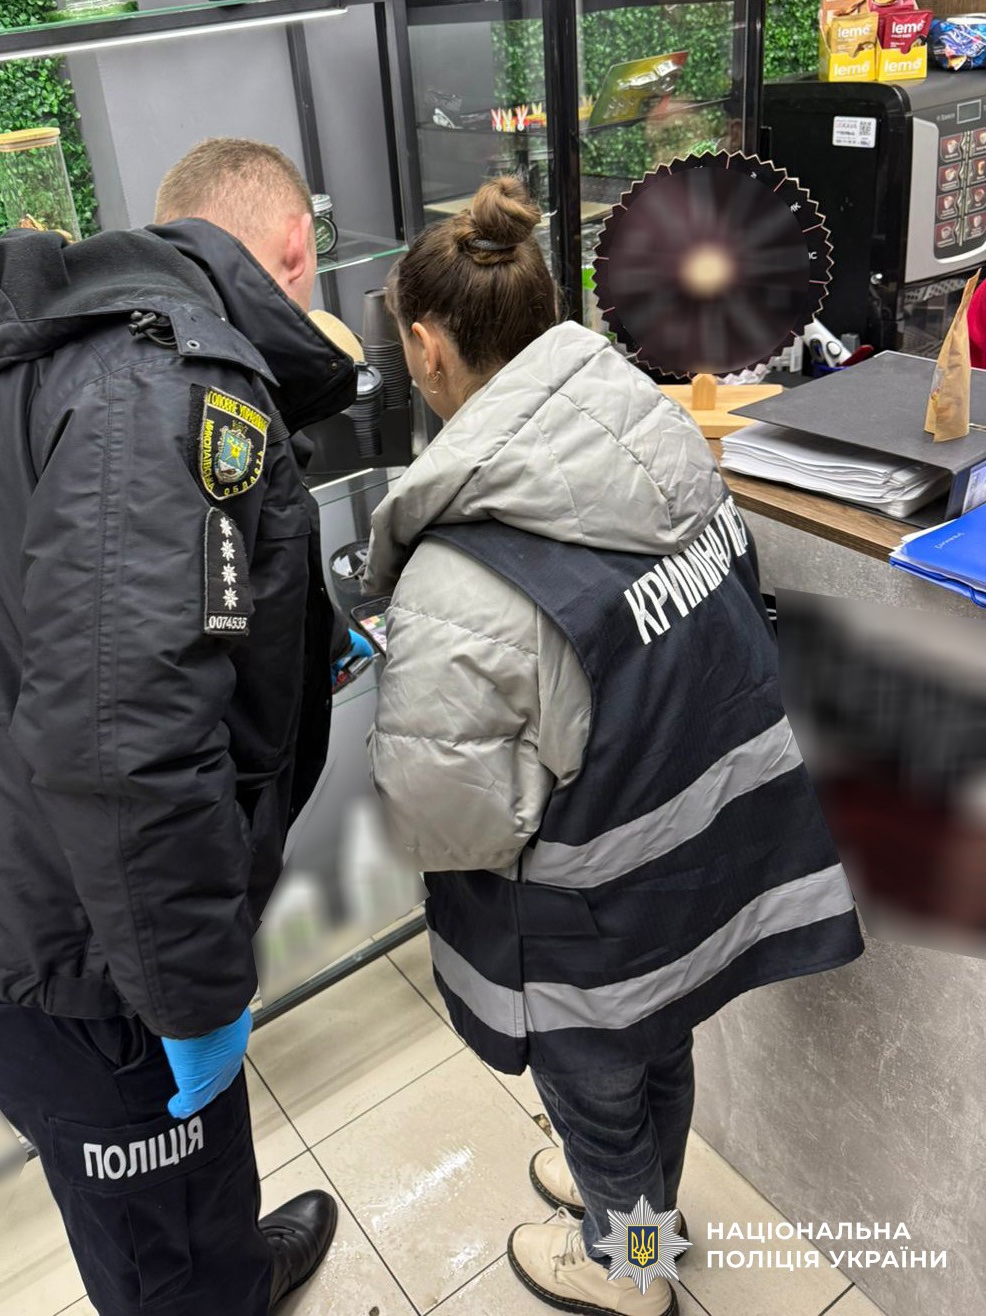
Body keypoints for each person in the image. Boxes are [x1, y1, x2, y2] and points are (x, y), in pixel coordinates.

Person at [364, 177, 865, 1316]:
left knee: (595, 1090)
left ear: (428, 346)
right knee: (658, 1049)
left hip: (591, 924)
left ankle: (630, 1261)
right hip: (701, 867)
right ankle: (641, 1205)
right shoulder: (655, 436)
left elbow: (447, 819)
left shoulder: (460, 577)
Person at [0, 138, 362, 1316]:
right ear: (294, 250)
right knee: (161, 1263)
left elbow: (108, 630)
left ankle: (230, 1262)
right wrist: (194, 998)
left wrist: (292, 640)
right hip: (77, 948)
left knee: (185, 1199)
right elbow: (125, 746)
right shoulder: (167, 387)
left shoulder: (85, 361)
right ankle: (210, 1280)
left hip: (43, 896)